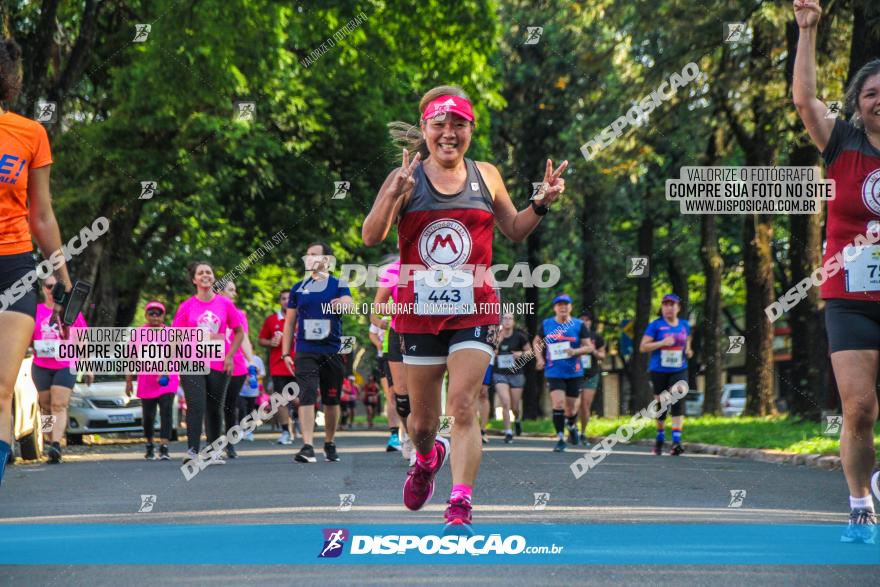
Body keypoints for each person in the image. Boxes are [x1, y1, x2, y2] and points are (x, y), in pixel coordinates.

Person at [362, 85, 567, 532]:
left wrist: (541, 203)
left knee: (463, 404)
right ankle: (427, 456)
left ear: (470, 129)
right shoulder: (406, 177)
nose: (449, 133)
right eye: (440, 124)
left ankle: (460, 501)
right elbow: (371, 237)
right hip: (416, 313)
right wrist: (390, 194)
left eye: (459, 124)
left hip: (476, 310)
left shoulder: (486, 175)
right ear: (425, 129)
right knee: (421, 422)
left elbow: (514, 229)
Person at [793, 0, 880, 542]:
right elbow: (804, 100)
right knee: (861, 406)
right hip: (850, 298)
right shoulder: (842, 142)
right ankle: (858, 504)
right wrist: (808, 30)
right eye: (871, 93)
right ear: (859, 103)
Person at [0, 37, 75, 483]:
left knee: (1, 389)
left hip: (13, 266)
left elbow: (41, 215)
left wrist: (62, 278)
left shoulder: (30, 133)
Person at [281, 241, 352, 463]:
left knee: (332, 400)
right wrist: (285, 353)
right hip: (305, 349)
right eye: (308, 254)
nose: (309, 258)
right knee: (307, 394)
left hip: (331, 349)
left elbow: (349, 304)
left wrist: (343, 303)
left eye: (314, 255)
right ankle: (308, 445)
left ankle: (329, 442)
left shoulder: (338, 284)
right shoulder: (298, 287)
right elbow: (289, 323)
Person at [172, 261, 244, 465]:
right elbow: (176, 336)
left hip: (218, 362)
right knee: (196, 404)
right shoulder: (186, 306)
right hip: (191, 360)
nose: (205, 275)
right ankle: (192, 452)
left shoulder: (225, 304)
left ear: (213, 277)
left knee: (214, 406)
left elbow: (239, 332)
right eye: (200, 273)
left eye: (209, 272)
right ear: (194, 279)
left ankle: (213, 451)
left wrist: (229, 356)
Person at [31, 276, 90, 463]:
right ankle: (50, 441)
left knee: (59, 404)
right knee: (46, 407)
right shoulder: (36, 311)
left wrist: (88, 367)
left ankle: (56, 444)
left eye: (56, 286)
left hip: (66, 364)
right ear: (43, 289)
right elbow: (26, 337)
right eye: (49, 286)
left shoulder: (72, 312)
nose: (52, 290)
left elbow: (83, 339)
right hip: (41, 365)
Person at [533, 294, 591, 452]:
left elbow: (589, 347)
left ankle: (571, 425)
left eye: (566, 304)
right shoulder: (547, 324)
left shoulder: (579, 325)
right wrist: (539, 358)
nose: (563, 307)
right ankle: (560, 438)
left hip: (574, 372)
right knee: (558, 403)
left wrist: (575, 351)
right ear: (555, 308)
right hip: (554, 371)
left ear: (571, 307)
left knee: (571, 408)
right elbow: (537, 341)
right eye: (559, 305)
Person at [638, 294, 691, 457]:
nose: (669, 307)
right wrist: (661, 343)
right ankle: (660, 437)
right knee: (661, 405)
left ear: (678, 307)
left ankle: (676, 442)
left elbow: (687, 340)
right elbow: (643, 347)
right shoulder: (655, 326)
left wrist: (689, 349)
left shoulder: (684, 324)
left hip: (679, 367)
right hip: (659, 370)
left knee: (679, 392)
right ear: (662, 308)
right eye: (666, 304)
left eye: (672, 304)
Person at [371, 257, 413, 461]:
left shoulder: (439, 266)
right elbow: (377, 307)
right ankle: (408, 435)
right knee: (401, 398)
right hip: (398, 335)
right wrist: (404, 310)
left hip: (429, 335)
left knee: (424, 393)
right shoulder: (393, 270)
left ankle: (429, 441)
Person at [125, 301, 179, 460]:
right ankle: (149, 444)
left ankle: (164, 446)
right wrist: (128, 381)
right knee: (148, 416)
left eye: (158, 313)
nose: (155, 316)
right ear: (146, 315)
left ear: (163, 315)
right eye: (152, 313)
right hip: (146, 380)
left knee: (166, 411)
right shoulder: (138, 334)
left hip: (167, 379)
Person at [218, 280, 258, 459]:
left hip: (237, 365)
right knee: (214, 404)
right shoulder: (210, 313)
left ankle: (229, 443)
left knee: (230, 405)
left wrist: (251, 362)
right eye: (230, 290)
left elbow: (245, 339)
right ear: (219, 291)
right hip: (214, 364)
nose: (234, 294)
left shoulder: (239, 314)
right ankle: (214, 440)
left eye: (235, 290)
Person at [258, 289, 296, 445]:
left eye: (290, 298)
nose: (287, 301)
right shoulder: (271, 320)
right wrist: (270, 342)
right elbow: (261, 340)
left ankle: (298, 424)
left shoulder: (303, 318)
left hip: (300, 365)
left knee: (300, 400)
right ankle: (286, 431)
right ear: (280, 301)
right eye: (283, 298)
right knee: (281, 400)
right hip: (278, 366)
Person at [492, 312, 531, 443]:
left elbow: (530, 352)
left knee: (515, 407)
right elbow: (492, 352)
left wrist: (521, 354)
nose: (507, 321)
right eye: (505, 318)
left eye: (510, 318)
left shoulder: (519, 336)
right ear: (501, 321)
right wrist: (498, 342)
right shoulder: (497, 336)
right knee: (505, 402)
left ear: (513, 322)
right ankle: (508, 432)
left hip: (516, 373)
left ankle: (517, 420)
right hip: (500, 373)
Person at [577, 310, 605, 448]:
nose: (584, 322)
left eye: (587, 320)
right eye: (581, 319)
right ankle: (572, 429)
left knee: (585, 405)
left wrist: (592, 350)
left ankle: (583, 433)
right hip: (574, 373)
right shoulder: (573, 335)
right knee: (573, 405)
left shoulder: (597, 338)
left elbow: (602, 356)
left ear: (590, 322)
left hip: (591, 374)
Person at [238, 354, 264, 441]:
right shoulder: (239, 357)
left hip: (253, 391)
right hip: (240, 390)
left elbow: (262, 374)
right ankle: (241, 430)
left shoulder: (257, 359)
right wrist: (244, 379)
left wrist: (255, 377)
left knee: (250, 411)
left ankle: (249, 431)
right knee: (241, 409)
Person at [478, 363, 492, 444]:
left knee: (483, 394)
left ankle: (482, 430)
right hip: (456, 355)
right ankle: (444, 431)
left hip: (484, 357)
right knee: (453, 394)